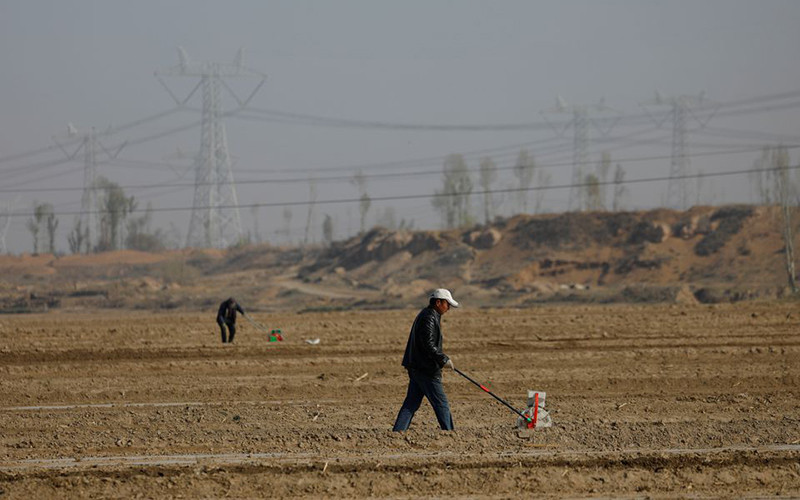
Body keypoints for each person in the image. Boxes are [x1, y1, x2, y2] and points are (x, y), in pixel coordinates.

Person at [392, 288, 459, 432]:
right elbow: (428, 344)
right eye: (447, 304)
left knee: (411, 404)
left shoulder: (429, 314)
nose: (448, 308)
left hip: (417, 367)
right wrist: (443, 359)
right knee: (441, 403)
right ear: (438, 302)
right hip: (426, 369)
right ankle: (450, 433)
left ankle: (398, 432)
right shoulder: (429, 317)